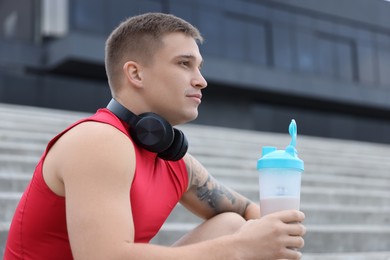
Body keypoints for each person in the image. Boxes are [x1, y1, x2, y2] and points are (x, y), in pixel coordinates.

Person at [4, 12, 306, 260]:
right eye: (184, 64)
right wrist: (242, 248)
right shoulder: (97, 140)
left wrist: (272, 230)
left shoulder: (173, 159)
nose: (201, 81)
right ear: (136, 74)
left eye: (199, 67)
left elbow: (243, 211)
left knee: (231, 224)